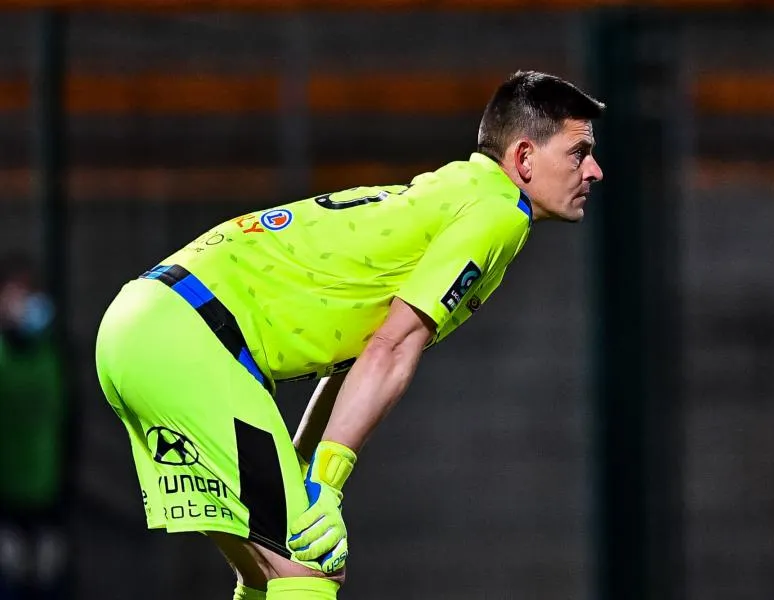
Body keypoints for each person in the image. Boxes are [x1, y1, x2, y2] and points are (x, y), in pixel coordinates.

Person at [94, 70, 604, 600]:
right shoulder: (498, 212)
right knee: (311, 566)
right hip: (189, 340)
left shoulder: (453, 194)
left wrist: (305, 468)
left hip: (145, 325)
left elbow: (359, 353)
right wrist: (327, 485)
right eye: (578, 153)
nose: (594, 170)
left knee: (268, 572)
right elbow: (391, 347)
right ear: (523, 158)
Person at [0, 254, 68, 600]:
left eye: (31, 292)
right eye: (17, 292)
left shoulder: (53, 355)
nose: (27, 302)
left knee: (46, 583)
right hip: (6, 504)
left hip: (48, 503)